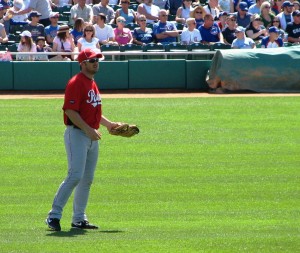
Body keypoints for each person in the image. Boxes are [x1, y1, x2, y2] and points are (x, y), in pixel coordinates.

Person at [45, 48, 121, 232]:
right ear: (83, 63)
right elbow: (70, 111)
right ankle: (53, 215)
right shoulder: (76, 83)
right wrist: (88, 130)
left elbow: (93, 111)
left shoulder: (92, 83)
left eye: (97, 60)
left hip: (91, 135)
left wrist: (109, 125)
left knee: (87, 179)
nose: (96, 62)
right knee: (75, 176)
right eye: (92, 60)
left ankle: (79, 218)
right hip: (77, 134)